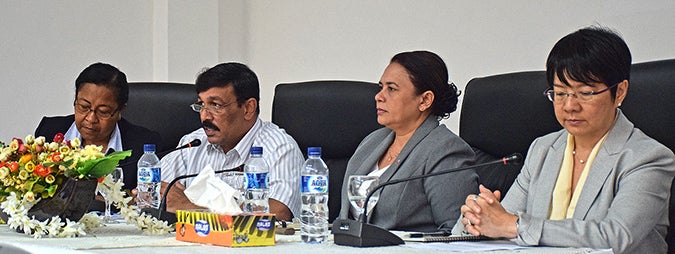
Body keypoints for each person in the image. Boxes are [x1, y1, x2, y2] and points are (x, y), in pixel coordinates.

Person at [454, 27, 675, 253]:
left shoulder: (648, 157)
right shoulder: (544, 149)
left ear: (619, 92)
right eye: (560, 93)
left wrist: (514, 225)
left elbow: (616, 236)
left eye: (586, 93)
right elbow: (504, 221)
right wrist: (479, 218)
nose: (570, 106)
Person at [338, 51, 478, 232]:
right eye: (381, 87)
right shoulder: (371, 142)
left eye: (392, 88)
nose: (378, 96)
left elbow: (456, 232)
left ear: (425, 100)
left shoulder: (447, 151)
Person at [159, 62, 303, 221]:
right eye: (201, 105)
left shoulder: (280, 148)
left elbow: (279, 212)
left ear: (248, 108)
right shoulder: (193, 143)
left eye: (215, 105)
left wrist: (187, 207)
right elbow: (151, 191)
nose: (204, 116)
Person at [35, 62, 162, 191]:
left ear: (120, 111)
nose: (90, 119)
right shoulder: (48, 132)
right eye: (84, 107)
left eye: (103, 112)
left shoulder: (143, 146)